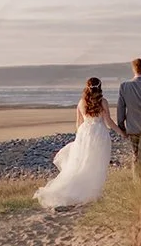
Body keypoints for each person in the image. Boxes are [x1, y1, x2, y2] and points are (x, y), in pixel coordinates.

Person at [34, 77, 124, 209]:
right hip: (99, 133)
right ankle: (91, 193)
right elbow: (109, 122)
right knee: (96, 164)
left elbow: (78, 123)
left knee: (82, 163)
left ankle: (83, 191)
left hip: (84, 133)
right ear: (100, 87)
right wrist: (122, 132)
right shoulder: (103, 101)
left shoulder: (81, 102)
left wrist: (79, 139)